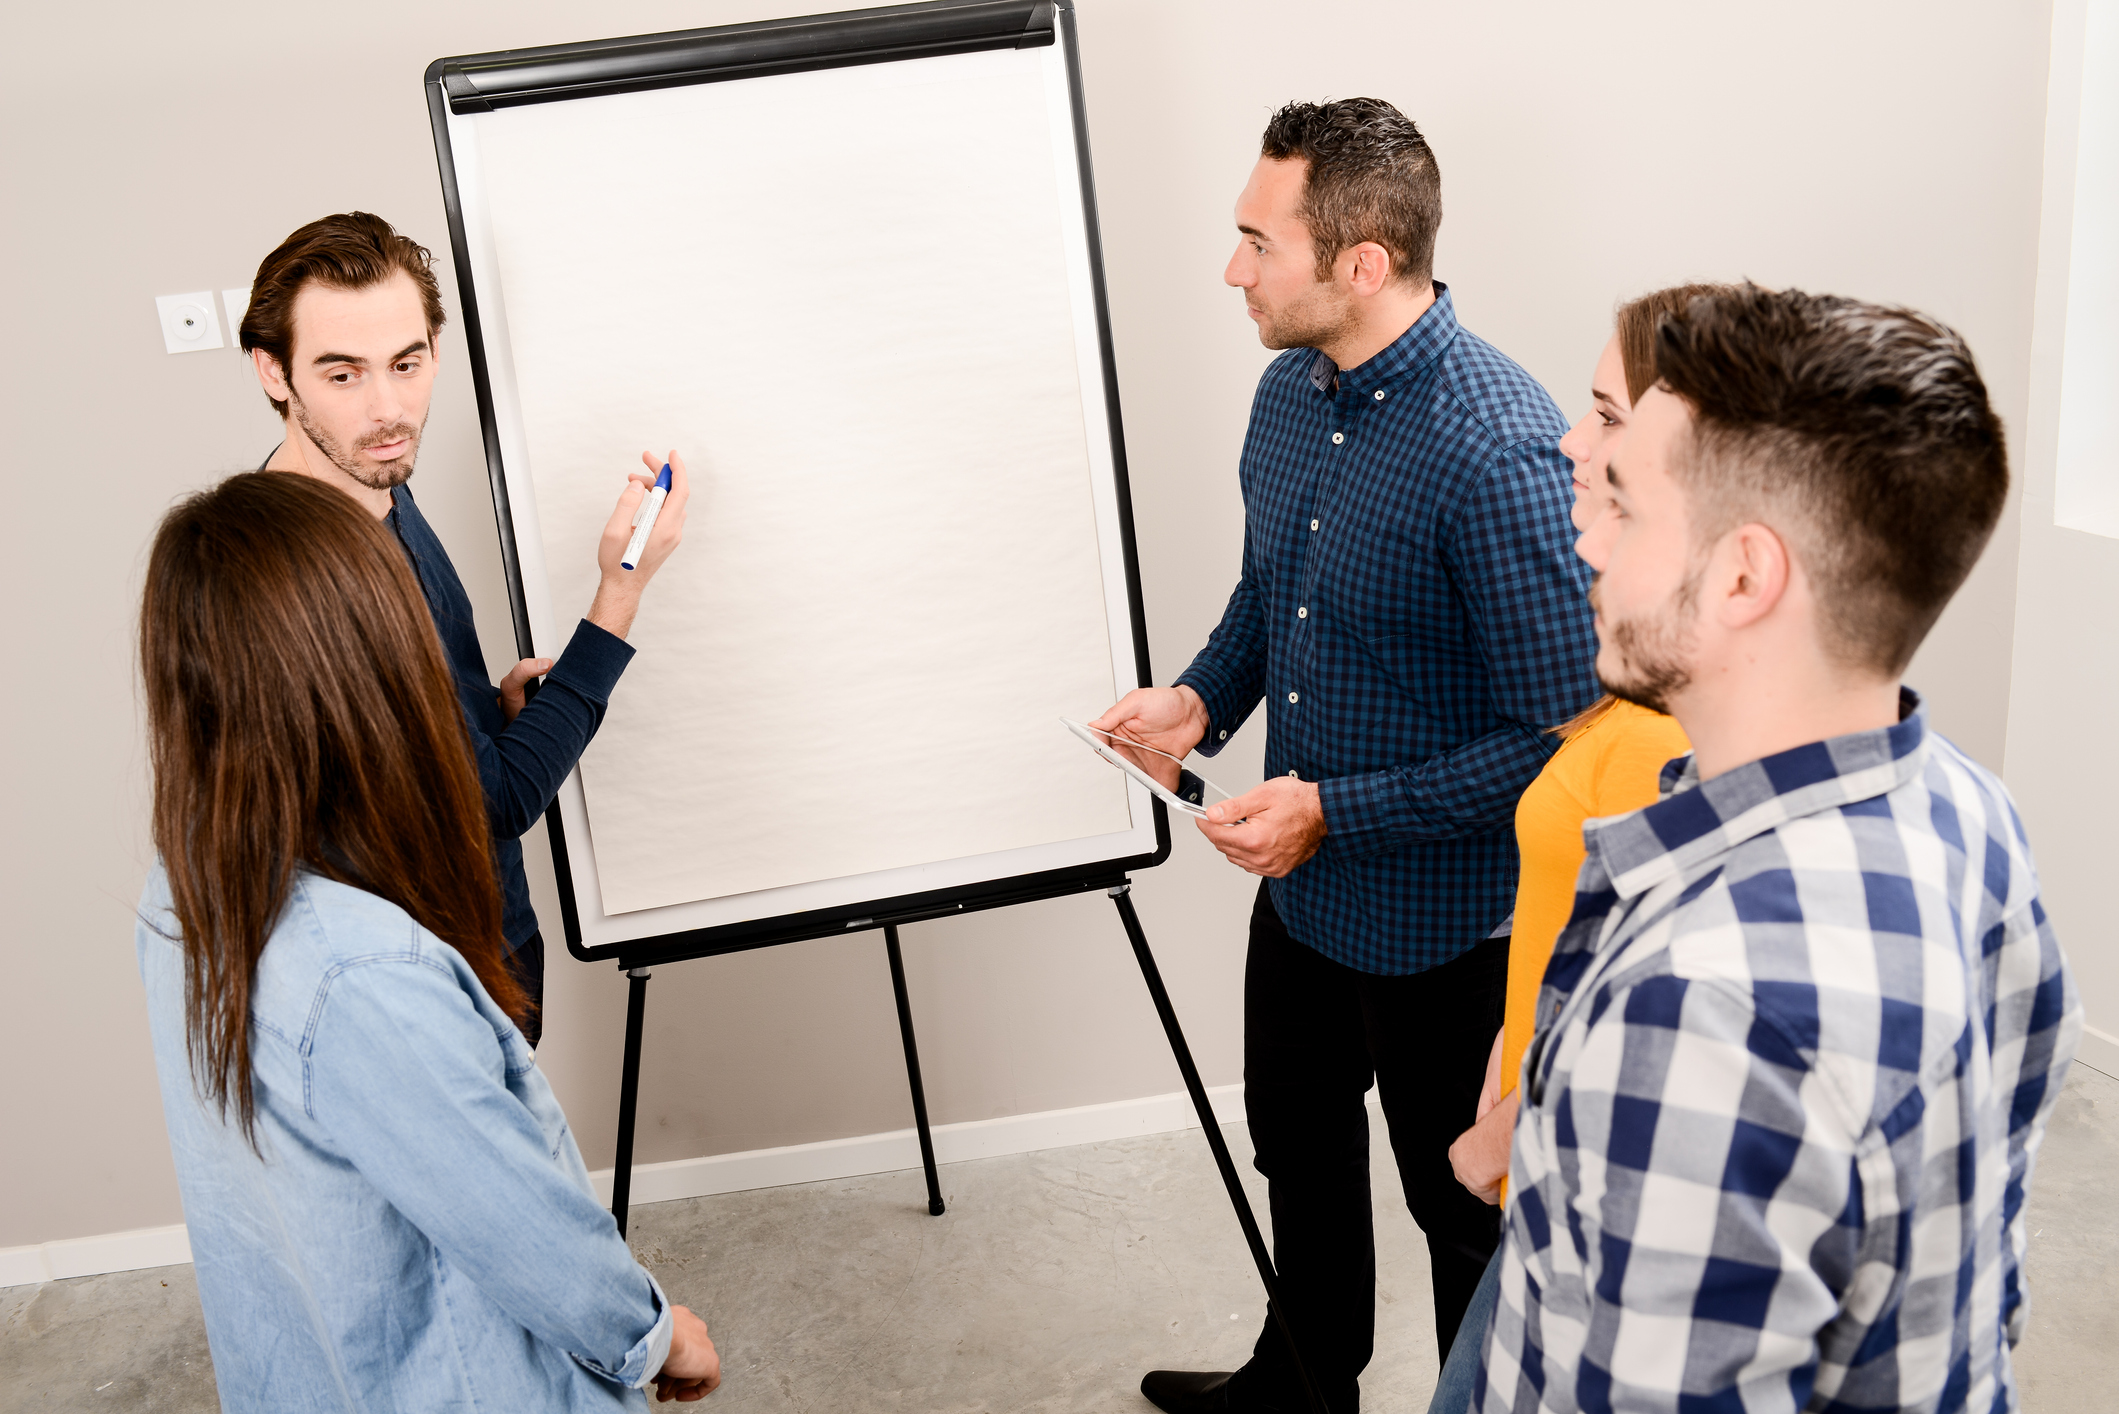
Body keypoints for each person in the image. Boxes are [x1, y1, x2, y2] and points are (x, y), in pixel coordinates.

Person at [1477, 286, 2082, 1412]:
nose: (1583, 537)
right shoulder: (1972, 810)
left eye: (1625, 505)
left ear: (1744, 576)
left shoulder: (1701, 1012)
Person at [1093, 99, 1599, 1414]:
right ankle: (1301, 1385)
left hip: (1451, 926)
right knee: (1297, 1150)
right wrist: (1199, 701)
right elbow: (1277, 594)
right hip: (1304, 896)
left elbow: (1565, 741)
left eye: (1257, 241)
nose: (1230, 269)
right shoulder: (1282, 396)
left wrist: (1337, 810)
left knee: (1459, 1213)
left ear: (1359, 261)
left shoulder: (1495, 444)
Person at [136, 471, 719, 1408]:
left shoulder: (184, 890)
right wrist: (656, 1337)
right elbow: (526, 1234)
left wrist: (487, 726)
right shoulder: (365, 974)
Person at [236, 211, 687, 1043]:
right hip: (437, 975)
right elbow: (499, 799)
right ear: (274, 372)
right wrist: (622, 584)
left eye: (406, 364)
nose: (388, 409)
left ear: (435, 350)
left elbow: (422, 749)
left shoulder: (370, 483)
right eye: (342, 375)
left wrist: (479, 711)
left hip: (478, 937)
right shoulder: (310, 575)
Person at [1426, 286, 1719, 1414]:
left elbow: (1643, 1015)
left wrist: (1506, 1125)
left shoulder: (1665, 743)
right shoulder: (1628, 703)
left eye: (1602, 413)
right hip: (1537, 1154)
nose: (1566, 439)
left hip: (1567, 1183)